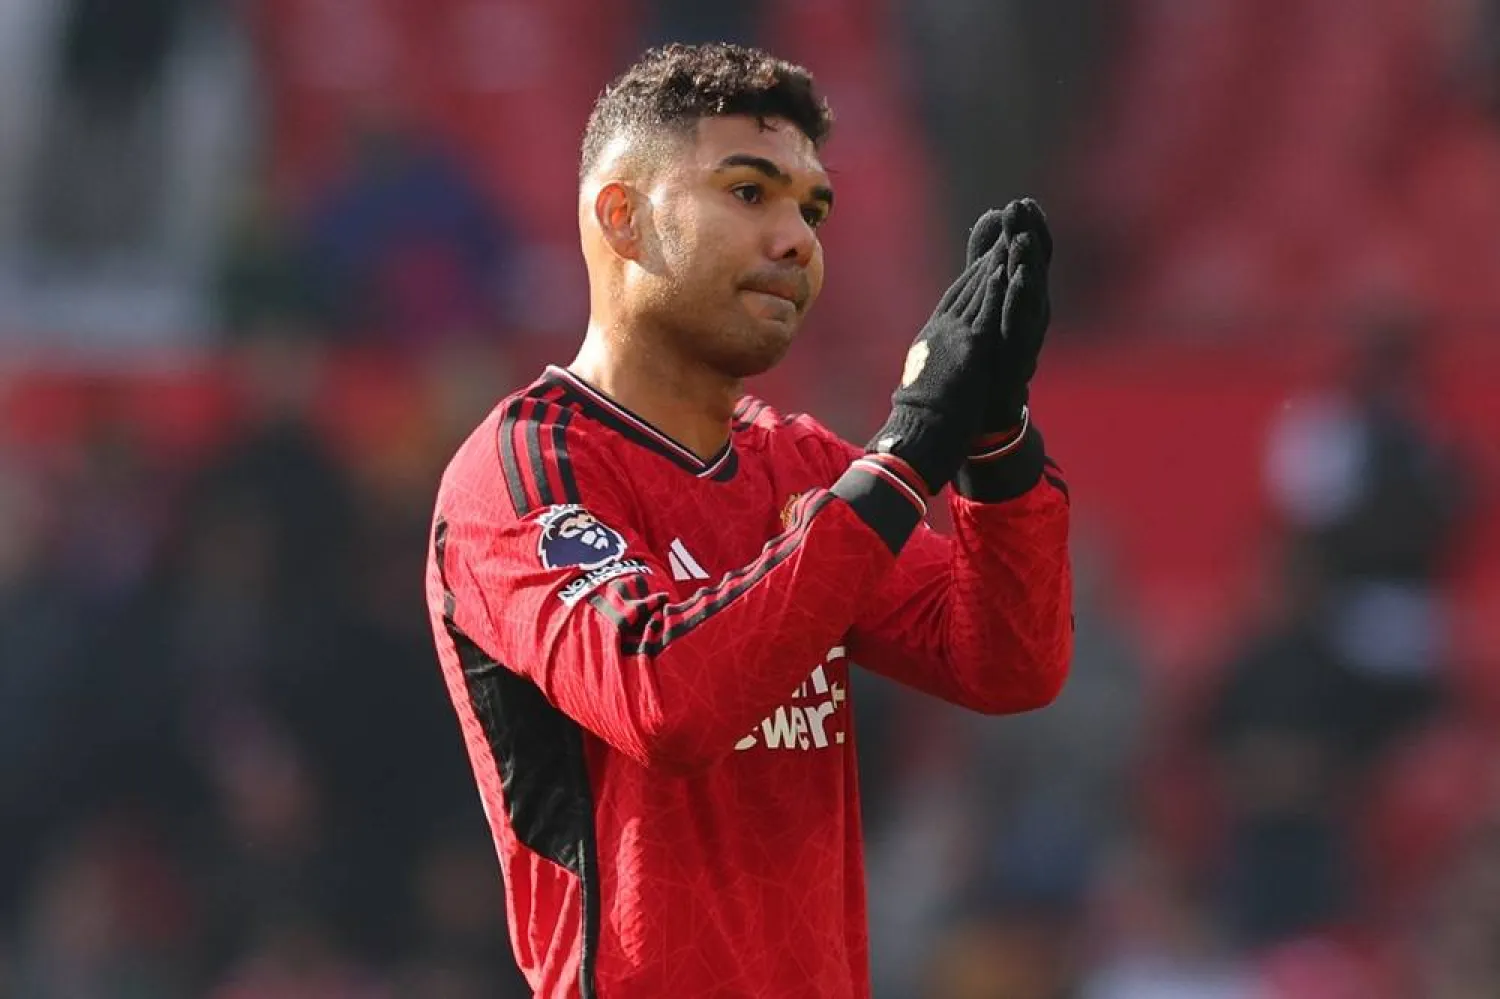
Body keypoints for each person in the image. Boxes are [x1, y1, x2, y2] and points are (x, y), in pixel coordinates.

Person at [423, 42, 1073, 999]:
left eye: (814, 208)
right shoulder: (521, 474)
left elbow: (1004, 660)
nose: (798, 238)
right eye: (748, 192)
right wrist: (904, 456)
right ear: (624, 218)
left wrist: (993, 440)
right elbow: (665, 698)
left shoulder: (798, 464)